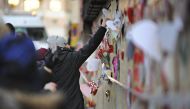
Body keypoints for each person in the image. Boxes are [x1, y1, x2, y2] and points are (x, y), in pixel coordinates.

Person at [44, 18, 107, 109]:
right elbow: (90, 46)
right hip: (74, 105)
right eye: (66, 44)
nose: (69, 46)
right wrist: (102, 28)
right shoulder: (71, 58)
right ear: (62, 46)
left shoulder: (46, 63)